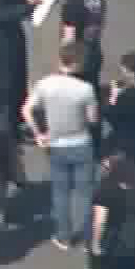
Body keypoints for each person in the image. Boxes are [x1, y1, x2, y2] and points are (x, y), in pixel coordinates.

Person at [23, 43, 99, 250]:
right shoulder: (86, 89)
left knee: (61, 192)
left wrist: (38, 133)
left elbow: (27, 110)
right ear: (79, 64)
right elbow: (93, 119)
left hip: (56, 144)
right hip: (81, 141)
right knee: (85, 192)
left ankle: (64, 236)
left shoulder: (45, 84)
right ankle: (87, 236)